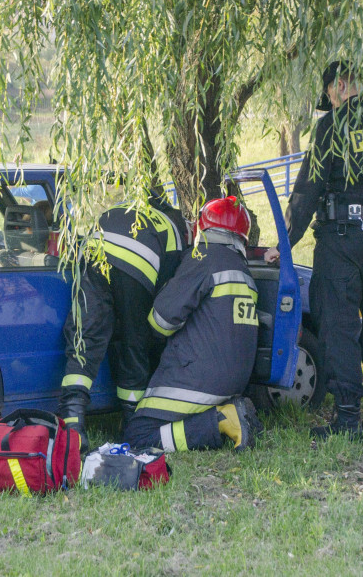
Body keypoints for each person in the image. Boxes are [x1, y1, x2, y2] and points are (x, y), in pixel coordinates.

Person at [266, 60, 363, 437]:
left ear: (335, 89)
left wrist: (284, 246)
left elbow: (307, 190)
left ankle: (349, 417)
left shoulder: (332, 126)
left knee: (339, 324)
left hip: (341, 239)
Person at [124, 196, 262, 453]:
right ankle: (229, 413)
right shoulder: (244, 271)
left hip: (199, 379)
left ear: (203, 228)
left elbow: (161, 321)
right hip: (234, 383)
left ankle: (222, 420)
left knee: (139, 434)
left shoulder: (203, 257)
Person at [57, 189, 188, 449]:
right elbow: (168, 292)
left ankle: (73, 423)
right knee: (134, 342)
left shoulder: (121, 206)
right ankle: (131, 424)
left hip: (93, 254)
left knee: (87, 336)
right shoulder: (173, 229)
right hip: (137, 266)